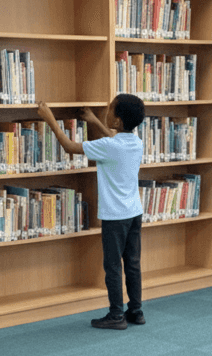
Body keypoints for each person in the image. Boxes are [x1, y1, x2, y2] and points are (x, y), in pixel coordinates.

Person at [37, 95, 145, 330]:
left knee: (113, 266)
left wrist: (50, 119)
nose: (106, 110)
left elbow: (69, 146)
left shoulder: (109, 146)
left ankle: (116, 315)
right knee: (133, 264)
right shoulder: (136, 142)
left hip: (115, 217)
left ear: (116, 120)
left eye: (109, 109)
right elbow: (115, 140)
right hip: (134, 213)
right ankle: (135, 311)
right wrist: (95, 121)